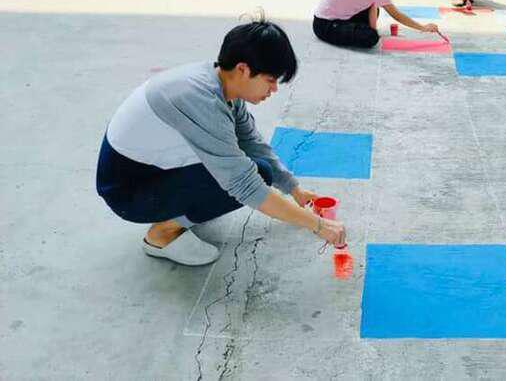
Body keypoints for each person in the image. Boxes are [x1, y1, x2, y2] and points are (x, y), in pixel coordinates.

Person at [96, 13, 346, 266]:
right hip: (128, 192)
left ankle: (179, 211)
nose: (274, 89)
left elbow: (251, 142)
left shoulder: (221, 83)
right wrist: (317, 225)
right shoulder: (200, 100)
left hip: (149, 172)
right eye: (270, 80)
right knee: (246, 179)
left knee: (259, 169)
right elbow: (244, 185)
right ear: (243, 69)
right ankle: (162, 234)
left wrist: (294, 189)